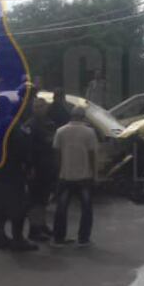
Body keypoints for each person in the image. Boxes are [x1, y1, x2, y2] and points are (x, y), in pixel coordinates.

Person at [0, 95, 37, 252]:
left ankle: (0, 237)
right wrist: (29, 164)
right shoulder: (12, 123)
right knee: (18, 205)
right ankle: (18, 239)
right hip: (12, 171)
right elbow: (22, 146)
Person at [52, 106, 98, 247]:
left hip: (65, 176)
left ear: (71, 116)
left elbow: (57, 154)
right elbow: (92, 155)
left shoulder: (60, 131)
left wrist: (60, 170)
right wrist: (94, 173)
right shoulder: (89, 132)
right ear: (83, 117)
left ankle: (59, 239)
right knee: (86, 209)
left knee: (61, 208)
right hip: (84, 177)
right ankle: (83, 239)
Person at [26, 99, 58, 242]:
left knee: (44, 200)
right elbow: (27, 150)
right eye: (36, 107)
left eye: (41, 106)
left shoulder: (49, 123)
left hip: (47, 167)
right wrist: (30, 167)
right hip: (36, 169)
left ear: (46, 108)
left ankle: (42, 225)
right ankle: (34, 230)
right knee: (35, 201)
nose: (38, 109)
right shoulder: (30, 125)